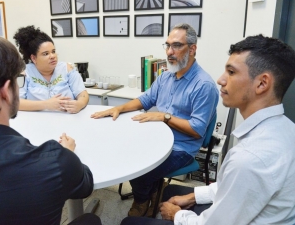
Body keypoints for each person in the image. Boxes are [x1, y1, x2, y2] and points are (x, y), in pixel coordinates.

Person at [122, 34, 295, 225]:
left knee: (128, 223)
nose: (221, 80)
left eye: (231, 72)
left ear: (262, 83)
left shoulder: (249, 159)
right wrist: (194, 196)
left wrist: (177, 215)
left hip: (182, 149)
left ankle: (145, 197)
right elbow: (232, 187)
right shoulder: (286, 129)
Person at [0, 30, 101, 225]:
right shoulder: (53, 160)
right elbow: (85, 185)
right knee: (89, 221)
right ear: (6, 92)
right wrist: (67, 156)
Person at [91, 23, 219, 217]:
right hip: (157, 136)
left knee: (139, 167)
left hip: (181, 147)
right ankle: (150, 191)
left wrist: (164, 117)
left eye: (176, 46)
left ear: (192, 49)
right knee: (124, 150)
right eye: (167, 45)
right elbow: (145, 100)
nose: (169, 52)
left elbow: (197, 129)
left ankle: (142, 200)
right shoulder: (165, 77)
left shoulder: (204, 85)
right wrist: (118, 108)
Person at [13, 25, 89, 113]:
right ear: (34, 58)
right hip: (36, 122)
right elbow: (16, 103)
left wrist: (79, 104)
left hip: (66, 119)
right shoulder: (23, 73)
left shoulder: (67, 69)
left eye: (53, 51)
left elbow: (83, 94)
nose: (52, 56)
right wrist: (46, 104)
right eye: (46, 54)